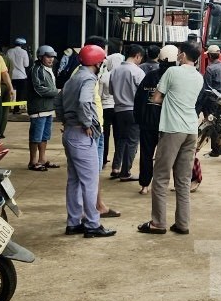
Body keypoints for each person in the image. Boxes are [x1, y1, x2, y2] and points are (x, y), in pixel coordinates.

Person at [138, 43, 203, 235]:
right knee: (183, 179)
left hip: (173, 129)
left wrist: (168, 100)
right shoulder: (198, 77)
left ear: (181, 55)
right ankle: (182, 223)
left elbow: (156, 98)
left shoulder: (172, 72)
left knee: (160, 177)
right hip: (191, 129)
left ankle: (158, 223)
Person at [58, 44, 116, 238]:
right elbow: (84, 102)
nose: (102, 65)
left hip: (70, 133)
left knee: (74, 180)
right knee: (90, 181)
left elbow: (58, 102)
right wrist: (86, 123)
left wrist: (66, 120)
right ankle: (92, 224)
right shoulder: (89, 79)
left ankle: (73, 222)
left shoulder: (73, 78)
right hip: (82, 135)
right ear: (96, 62)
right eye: (101, 62)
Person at [135, 45, 176, 195]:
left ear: (159, 59)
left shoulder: (150, 76)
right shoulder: (175, 78)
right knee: (165, 156)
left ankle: (145, 185)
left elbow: (139, 99)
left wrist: (139, 119)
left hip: (148, 122)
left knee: (146, 154)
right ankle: (161, 185)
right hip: (168, 123)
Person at [108, 44, 145, 180]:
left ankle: (115, 168)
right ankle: (125, 172)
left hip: (118, 110)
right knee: (133, 141)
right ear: (137, 56)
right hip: (133, 110)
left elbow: (111, 91)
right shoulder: (138, 72)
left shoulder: (115, 71)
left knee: (121, 140)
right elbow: (142, 94)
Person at [27, 45, 61, 171]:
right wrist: (56, 92)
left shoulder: (48, 69)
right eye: (48, 56)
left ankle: (42, 159)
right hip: (38, 109)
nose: (51, 59)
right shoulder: (36, 69)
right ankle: (33, 161)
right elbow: (38, 89)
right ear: (40, 56)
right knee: (36, 136)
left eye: (52, 57)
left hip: (48, 108)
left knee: (45, 136)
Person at [6, 37, 30, 113]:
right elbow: (26, 64)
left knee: (9, 91)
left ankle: (7, 107)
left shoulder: (9, 51)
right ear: (22, 45)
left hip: (11, 75)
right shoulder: (24, 52)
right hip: (21, 76)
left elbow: (6, 63)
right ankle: (16, 109)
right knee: (20, 93)